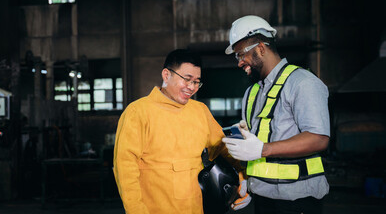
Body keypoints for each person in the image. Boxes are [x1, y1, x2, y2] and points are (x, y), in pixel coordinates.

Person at [113, 49, 251, 214]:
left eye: (196, 82)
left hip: (196, 207)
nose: (191, 87)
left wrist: (243, 177)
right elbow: (125, 168)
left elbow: (223, 146)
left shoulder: (200, 111)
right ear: (166, 75)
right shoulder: (138, 112)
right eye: (187, 79)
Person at [222, 15, 330, 214]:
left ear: (261, 48)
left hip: (298, 202)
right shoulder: (251, 93)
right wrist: (245, 179)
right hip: (263, 199)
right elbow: (252, 147)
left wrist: (263, 149)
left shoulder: (302, 83)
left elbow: (319, 139)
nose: (239, 63)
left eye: (240, 55)